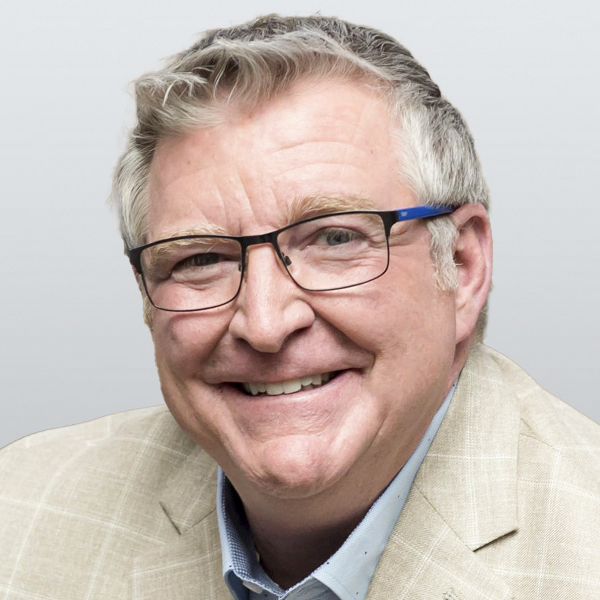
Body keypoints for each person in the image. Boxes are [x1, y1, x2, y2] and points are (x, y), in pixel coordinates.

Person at [1, 14, 599, 600]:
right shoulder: (19, 514)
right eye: (200, 259)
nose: (264, 324)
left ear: (462, 266)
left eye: (335, 238)